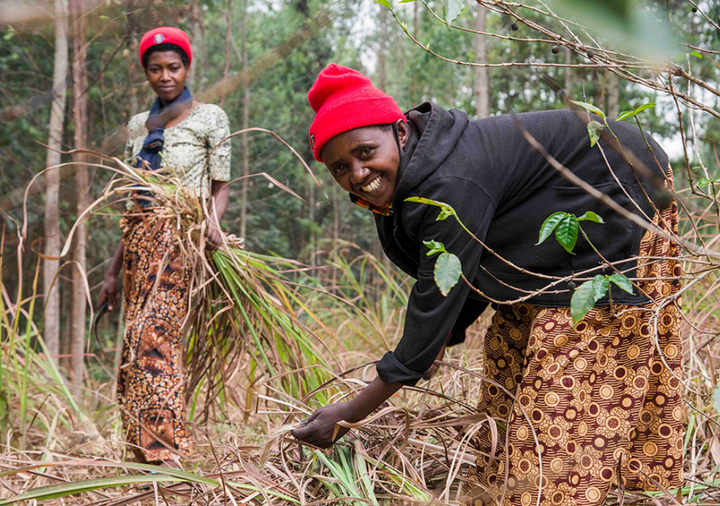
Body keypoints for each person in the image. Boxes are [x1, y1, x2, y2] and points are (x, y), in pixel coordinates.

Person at [292, 64, 683, 505]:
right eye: (340, 167)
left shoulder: (448, 181)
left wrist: (348, 414)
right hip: (551, 240)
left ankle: (572, 493)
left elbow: (435, 294)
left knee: (568, 388)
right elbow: (461, 271)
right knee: (509, 360)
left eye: (366, 152)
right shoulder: (414, 181)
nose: (358, 174)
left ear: (400, 132)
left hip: (620, 189)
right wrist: (445, 336)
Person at [97, 27, 231, 466]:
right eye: (155, 69)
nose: (165, 76)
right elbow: (133, 195)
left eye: (173, 67)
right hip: (137, 240)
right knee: (132, 346)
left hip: (180, 239)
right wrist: (113, 272)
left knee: (154, 337)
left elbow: (220, 186)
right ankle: (139, 449)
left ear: (187, 68)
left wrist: (211, 225)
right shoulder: (140, 125)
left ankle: (167, 452)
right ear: (146, 74)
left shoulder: (211, 117)